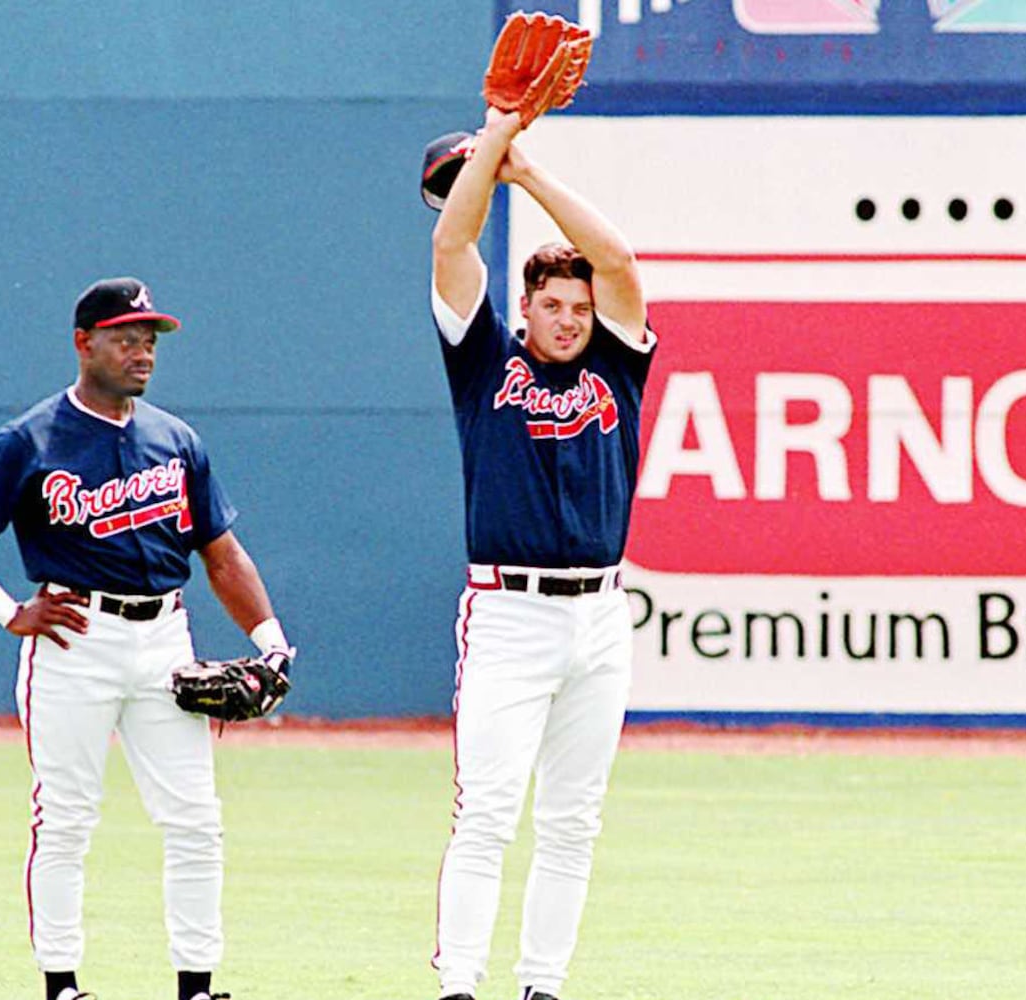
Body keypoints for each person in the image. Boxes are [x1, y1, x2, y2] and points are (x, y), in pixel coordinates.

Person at [0, 276, 294, 1000]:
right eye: (126, 337)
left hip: (164, 643)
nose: (141, 351)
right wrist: (7, 610)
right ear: (83, 342)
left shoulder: (176, 439)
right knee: (64, 818)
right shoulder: (30, 438)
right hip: (71, 641)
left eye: (149, 339)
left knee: (194, 820)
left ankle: (197, 987)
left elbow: (221, 551)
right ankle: (62, 985)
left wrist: (272, 641)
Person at [426, 108, 656, 1000]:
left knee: (572, 820)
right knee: (485, 811)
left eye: (578, 307)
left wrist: (529, 174)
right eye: (552, 306)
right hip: (509, 611)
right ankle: (459, 988)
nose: (568, 319)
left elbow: (622, 264)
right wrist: (495, 142)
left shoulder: (616, 368)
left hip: (600, 614)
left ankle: (543, 985)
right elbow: (453, 245)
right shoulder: (483, 362)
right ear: (524, 310)